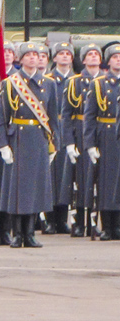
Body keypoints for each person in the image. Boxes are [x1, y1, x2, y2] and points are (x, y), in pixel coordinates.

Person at [0, 41, 58, 248]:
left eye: (37, 54)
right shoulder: (10, 83)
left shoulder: (48, 83)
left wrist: (53, 145)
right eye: (28, 54)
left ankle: (29, 233)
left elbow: (53, 118)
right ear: (20, 59)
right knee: (17, 189)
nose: (33, 58)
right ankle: (17, 234)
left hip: (38, 140)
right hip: (17, 140)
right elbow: (1, 118)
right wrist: (3, 145)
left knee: (34, 189)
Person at [64, 42, 103, 237]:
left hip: (101, 132)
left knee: (99, 179)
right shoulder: (75, 82)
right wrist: (69, 142)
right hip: (80, 132)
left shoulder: (106, 82)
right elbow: (67, 115)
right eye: (90, 54)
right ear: (84, 59)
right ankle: (79, 222)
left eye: (96, 54)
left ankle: (97, 221)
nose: (93, 57)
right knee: (80, 180)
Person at [84, 43, 120, 240]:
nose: (118, 60)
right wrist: (89, 144)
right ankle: (107, 226)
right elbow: (89, 116)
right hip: (105, 136)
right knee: (106, 183)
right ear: (108, 61)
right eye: (115, 57)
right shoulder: (98, 84)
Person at [43, 39, 75, 234]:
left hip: (69, 128)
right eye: (61, 53)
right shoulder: (47, 79)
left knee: (65, 176)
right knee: (50, 176)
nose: (64, 56)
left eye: (68, 53)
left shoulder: (77, 79)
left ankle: (62, 219)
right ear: (54, 57)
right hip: (52, 127)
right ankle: (49, 219)